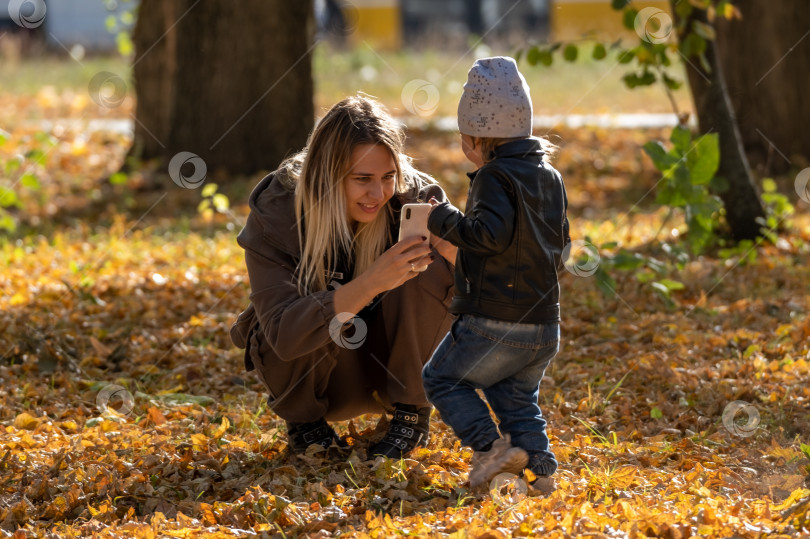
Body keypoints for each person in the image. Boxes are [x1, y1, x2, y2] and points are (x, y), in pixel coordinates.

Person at [230, 95, 457, 459]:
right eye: (362, 179)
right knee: (287, 312)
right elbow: (283, 336)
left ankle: (412, 413)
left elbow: (497, 295)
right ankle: (305, 423)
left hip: (389, 366)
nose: (378, 193)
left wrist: (459, 257)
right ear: (326, 175)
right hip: (319, 378)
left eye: (387, 177)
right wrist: (372, 282)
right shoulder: (279, 212)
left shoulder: (415, 200)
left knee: (427, 262)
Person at [422, 56, 570, 493]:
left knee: (442, 378)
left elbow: (487, 235)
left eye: (464, 138)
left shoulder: (493, 176)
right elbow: (559, 243)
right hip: (544, 323)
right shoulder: (551, 177)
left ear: (477, 138)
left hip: (494, 319)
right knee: (517, 398)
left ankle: (491, 449)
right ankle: (540, 475)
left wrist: (442, 219)